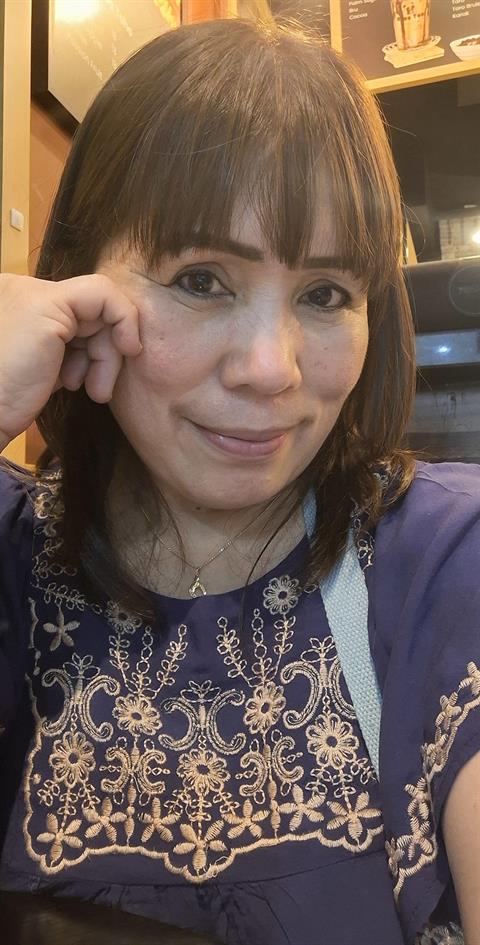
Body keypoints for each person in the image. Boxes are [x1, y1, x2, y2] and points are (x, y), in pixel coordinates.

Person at [0, 13, 478, 945]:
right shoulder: (14, 552)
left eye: (326, 294)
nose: (271, 367)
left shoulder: (443, 558)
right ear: (77, 284)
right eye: (202, 279)